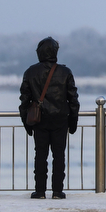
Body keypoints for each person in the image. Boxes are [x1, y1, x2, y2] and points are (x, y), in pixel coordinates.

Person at [19, 37, 79, 199]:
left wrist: (27, 124)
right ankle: (58, 191)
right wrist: (73, 122)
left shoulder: (30, 72)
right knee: (59, 155)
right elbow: (73, 99)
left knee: (40, 155)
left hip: (40, 120)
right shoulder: (65, 72)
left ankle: (40, 191)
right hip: (60, 119)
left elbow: (24, 101)